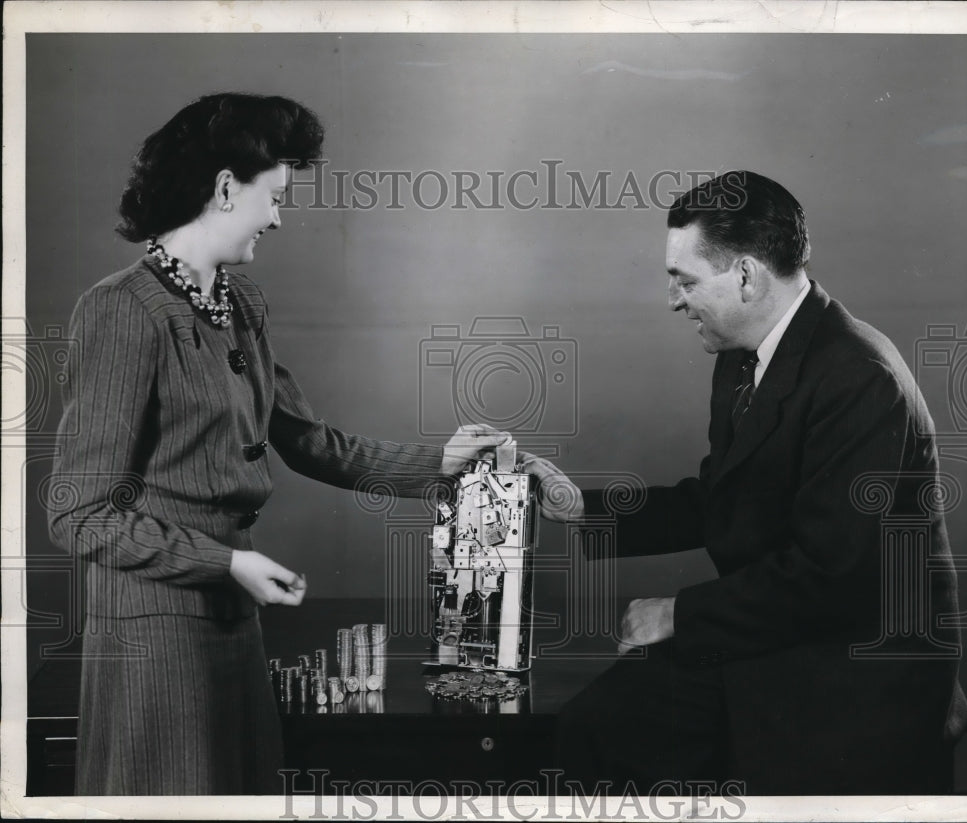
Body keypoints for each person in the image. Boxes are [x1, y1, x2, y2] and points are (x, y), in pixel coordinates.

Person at [46, 92, 581, 796]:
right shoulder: (119, 310)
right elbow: (78, 513)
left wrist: (440, 463)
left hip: (232, 623)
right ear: (226, 187)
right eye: (275, 196)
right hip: (154, 639)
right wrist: (226, 560)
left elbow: (309, 442)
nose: (277, 216)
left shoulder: (240, 305)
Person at [558, 171, 967, 795]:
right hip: (786, 638)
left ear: (747, 276)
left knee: (600, 738)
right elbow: (722, 497)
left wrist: (679, 613)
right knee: (589, 728)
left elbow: (830, 577)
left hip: (856, 677)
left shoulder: (860, 377)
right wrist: (578, 508)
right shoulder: (740, 354)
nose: (673, 299)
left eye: (684, 280)